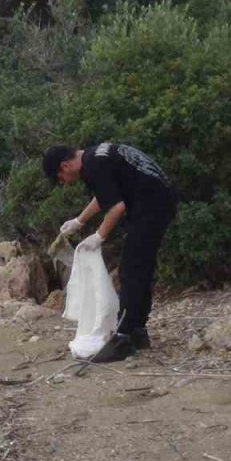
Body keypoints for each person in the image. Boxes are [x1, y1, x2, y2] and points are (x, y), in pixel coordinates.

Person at [43, 143, 179, 362]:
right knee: (140, 266)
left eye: (60, 179)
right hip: (159, 202)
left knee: (131, 271)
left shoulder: (93, 166)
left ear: (65, 166)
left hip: (151, 207)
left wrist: (98, 236)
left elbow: (117, 207)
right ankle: (138, 332)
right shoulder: (96, 154)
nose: (65, 183)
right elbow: (105, 195)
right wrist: (79, 221)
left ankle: (124, 337)